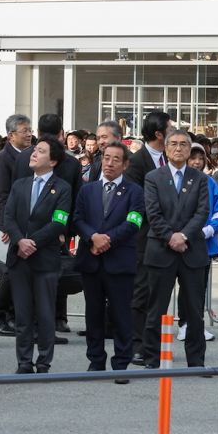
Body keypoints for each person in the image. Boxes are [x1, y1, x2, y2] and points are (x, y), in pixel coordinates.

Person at [72, 142, 143, 378]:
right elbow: (78, 218)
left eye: (115, 159)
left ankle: (121, 362)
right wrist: (93, 237)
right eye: (106, 158)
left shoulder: (135, 192)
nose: (109, 163)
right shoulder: (88, 190)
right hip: (91, 261)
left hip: (119, 261)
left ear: (125, 165)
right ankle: (96, 359)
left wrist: (107, 239)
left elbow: (134, 222)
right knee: (93, 313)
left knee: (121, 313)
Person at [141, 130, 210, 369]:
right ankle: (151, 357)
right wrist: (171, 237)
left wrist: (184, 236)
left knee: (194, 311)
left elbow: (202, 212)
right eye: (173, 144)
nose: (178, 148)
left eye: (183, 144)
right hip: (161, 249)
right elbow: (153, 213)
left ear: (190, 149)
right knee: (156, 308)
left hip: (192, 251)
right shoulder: (153, 177)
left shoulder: (200, 178)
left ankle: (196, 360)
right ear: (165, 148)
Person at [3, 138, 72, 374]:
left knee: (44, 313)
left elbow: (59, 222)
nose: (34, 153)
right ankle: (23, 361)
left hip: (45, 259)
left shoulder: (62, 187)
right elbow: (8, 216)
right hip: (19, 258)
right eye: (34, 150)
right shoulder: (20, 184)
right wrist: (19, 240)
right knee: (22, 314)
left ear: (52, 160)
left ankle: (43, 361)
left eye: (41, 151)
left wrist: (33, 242)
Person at [126, 110, 172, 364]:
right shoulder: (137, 162)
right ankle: (137, 343)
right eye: (170, 129)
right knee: (141, 292)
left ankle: (154, 344)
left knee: (160, 293)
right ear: (158, 133)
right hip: (145, 238)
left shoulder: (171, 159)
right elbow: (139, 200)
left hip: (168, 240)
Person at [0, 113, 33, 336]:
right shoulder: (3, 160)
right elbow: (0, 197)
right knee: (9, 271)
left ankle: (11, 315)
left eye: (30, 130)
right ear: (11, 134)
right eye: (25, 131)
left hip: (26, 225)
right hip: (10, 227)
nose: (29, 134)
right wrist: (5, 227)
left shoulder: (28, 155)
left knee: (18, 272)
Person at [179, 143, 218, 344]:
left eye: (200, 158)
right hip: (178, 242)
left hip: (203, 244)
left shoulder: (210, 182)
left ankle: (196, 324)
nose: (197, 162)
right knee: (182, 286)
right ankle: (183, 324)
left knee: (199, 286)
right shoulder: (177, 180)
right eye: (193, 157)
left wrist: (209, 229)